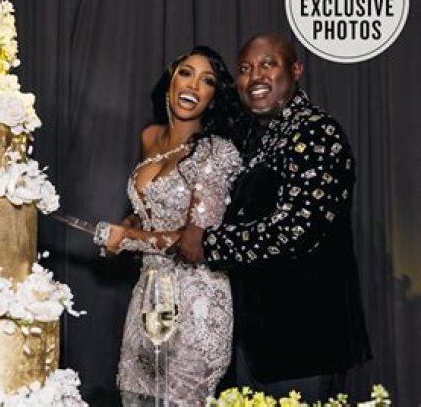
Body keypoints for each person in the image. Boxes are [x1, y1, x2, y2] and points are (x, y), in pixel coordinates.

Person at [174, 33, 372, 402]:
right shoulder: (256, 139)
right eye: (245, 68)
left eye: (268, 64)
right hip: (256, 345)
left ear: (296, 70)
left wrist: (209, 243)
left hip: (305, 345)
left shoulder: (317, 131)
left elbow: (297, 228)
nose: (255, 76)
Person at [97, 46, 246, 405]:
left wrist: (127, 238)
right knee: (137, 398)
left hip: (196, 299)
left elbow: (194, 240)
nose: (193, 85)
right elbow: (148, 209)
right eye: (186, 73)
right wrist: (124, 227)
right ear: (170, 82)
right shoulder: (150, 138)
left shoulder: (217, 152)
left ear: (213, 97)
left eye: (207, 81)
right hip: (149, 292)